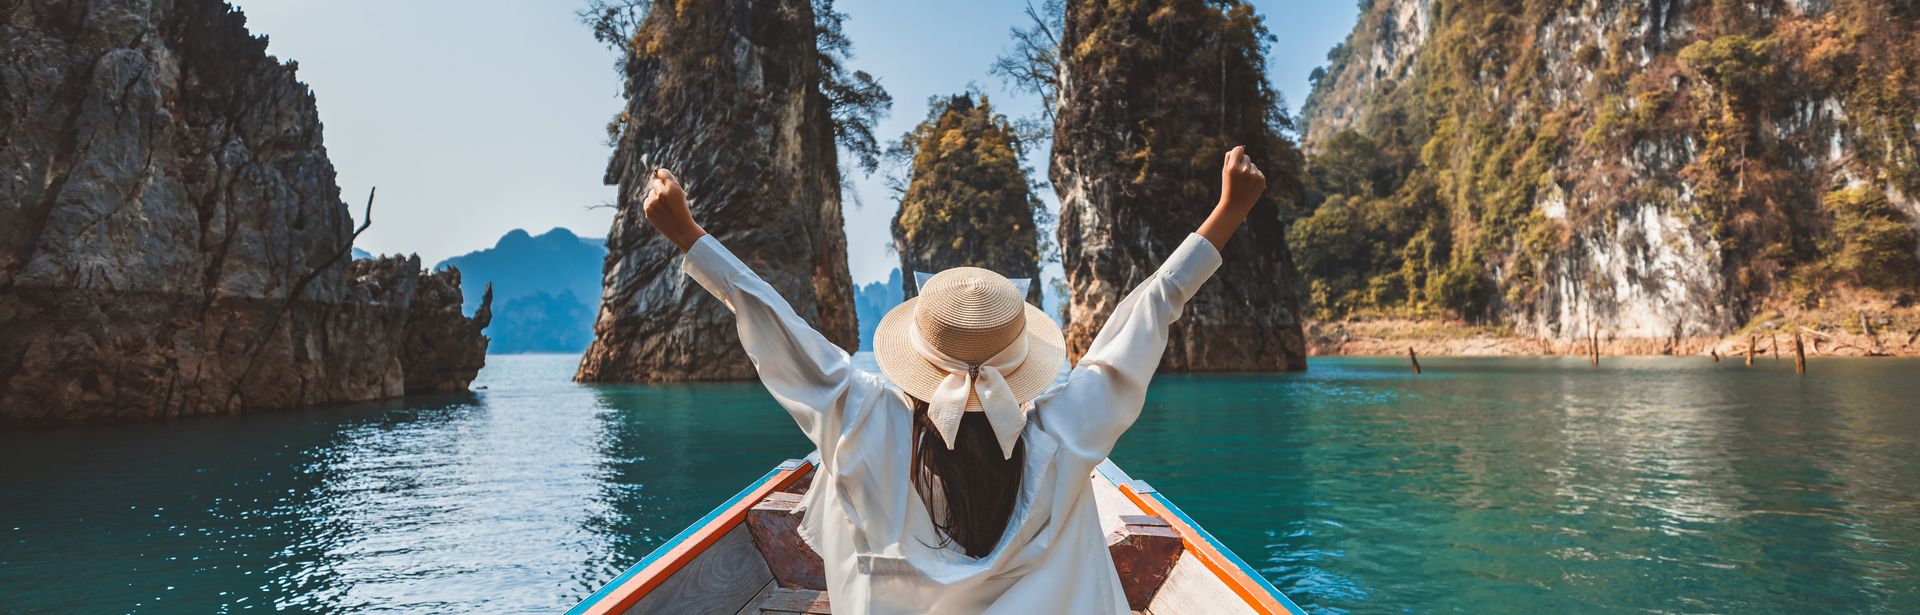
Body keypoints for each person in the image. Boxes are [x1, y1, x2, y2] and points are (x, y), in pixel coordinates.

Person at [641, 146, 1267, 614]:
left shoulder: (861, 417)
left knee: (834, 469)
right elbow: (1144, 321)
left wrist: (690, 236)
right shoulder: (1069, 428)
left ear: (915, 353)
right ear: (1021, 361)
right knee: (1081, 498)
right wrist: (1227, 213)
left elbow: (778, 331)